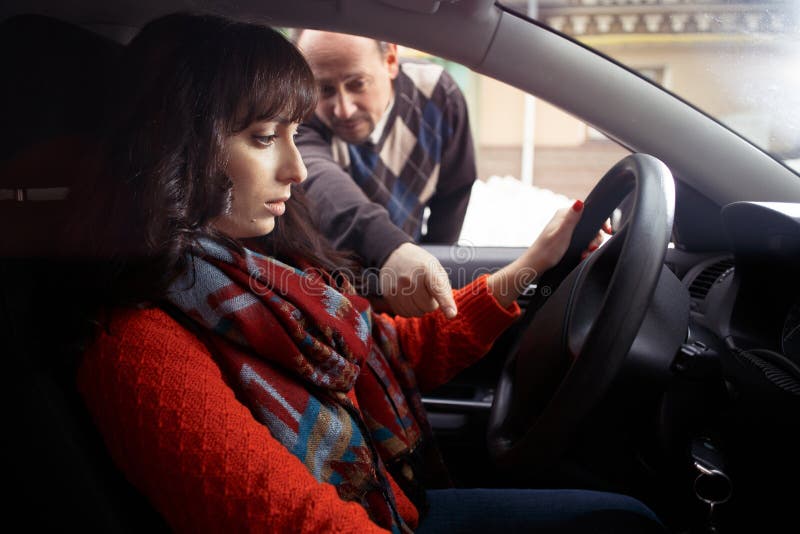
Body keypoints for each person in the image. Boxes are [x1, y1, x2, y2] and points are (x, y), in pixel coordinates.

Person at [72, 13, 664, 533]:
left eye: (292, 134)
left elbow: (397, 351)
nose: (297, 168)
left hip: (398, 505)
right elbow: (295, 523)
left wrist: (535, 264)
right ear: (177, 148)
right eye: (263, 138)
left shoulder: (267, 268)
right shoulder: (138, 348)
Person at [294, 29, 477, 319]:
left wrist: (429, 268)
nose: (343, 109)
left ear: (391, 60)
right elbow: (318, 179)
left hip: (406, 279)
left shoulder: (437, 94)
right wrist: (390, 247)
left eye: (357, 84)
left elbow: (454, 193)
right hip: (333, 298)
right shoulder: (299, 110)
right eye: (325, 89)